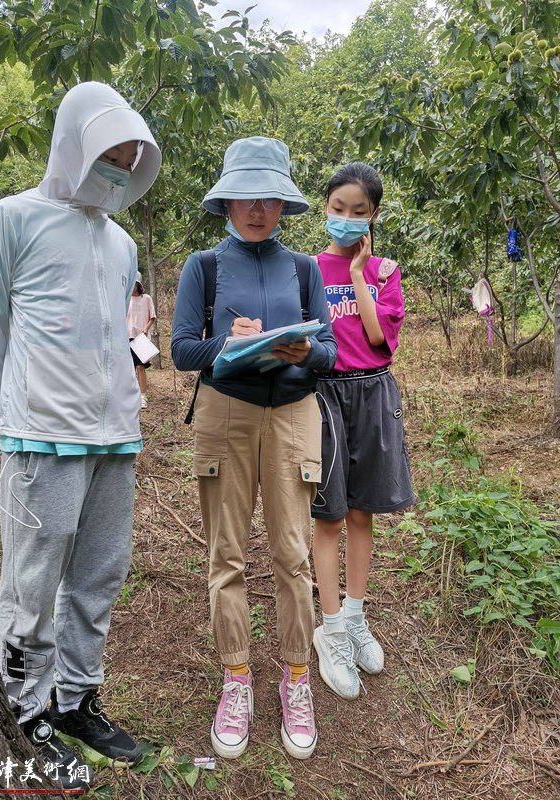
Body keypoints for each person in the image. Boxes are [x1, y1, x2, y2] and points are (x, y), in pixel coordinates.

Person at [0, 82, 161, 789]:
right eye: (106, 151)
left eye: (127, 156)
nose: (115, 165)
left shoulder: (119, 241)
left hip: (115, 435)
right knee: (31, 581)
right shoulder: (13, 219)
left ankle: (78, 699)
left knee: (100, 573)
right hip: (40, 438)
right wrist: (19, 411)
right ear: (73, 144)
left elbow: (120, 332)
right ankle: (23, 715)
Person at [171, 136, 337, 760]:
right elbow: (183, 347)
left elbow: (330, 353)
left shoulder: (304, 270)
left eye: (270, 197)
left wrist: (301, 349)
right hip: (226, 411)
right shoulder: (203, 266)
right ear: (228, 201)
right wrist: (227, 343)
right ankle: (236, 675)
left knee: (293, 554)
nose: (258, 209)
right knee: (228, 555)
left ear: (283, 203)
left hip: (293, 413)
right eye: (247, 197)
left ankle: (297, 675)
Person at [311, 162, 415, 700]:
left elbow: (377, 338)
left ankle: (354, 617)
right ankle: (329, 631)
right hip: (323, 397)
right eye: (338, 209)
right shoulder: (305, 270)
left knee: (361, 513)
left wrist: (358, 275)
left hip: (372, 393)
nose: (347, 220)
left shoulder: (384, 272)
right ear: (324, 207)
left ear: (373, 216)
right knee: (328, 514)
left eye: (359, 212)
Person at [127, 271, 157, 408]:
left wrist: (146, 328)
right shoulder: (125, 299)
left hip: (141, 338)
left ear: (139, 285)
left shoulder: (146, 299)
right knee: (128, 368)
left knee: (140, 367)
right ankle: (128, 396)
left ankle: (142, 396)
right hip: (126, 336)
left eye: (135, 283)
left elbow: (152, 316)